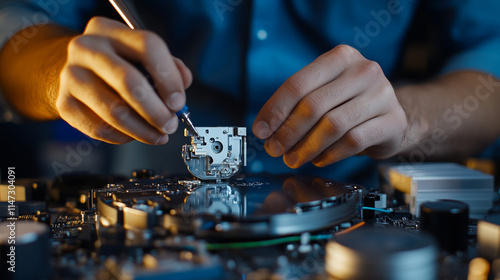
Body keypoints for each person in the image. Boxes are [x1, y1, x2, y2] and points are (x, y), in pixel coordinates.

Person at [1, 0, 500, 186]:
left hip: (348, 211)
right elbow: (17, 29)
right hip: (150, 196)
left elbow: (491, 74)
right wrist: (56, 69)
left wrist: (405, 117)